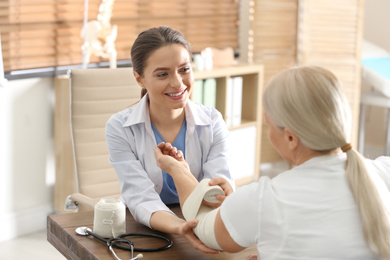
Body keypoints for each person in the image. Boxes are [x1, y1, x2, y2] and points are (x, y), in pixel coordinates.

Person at [154, 65, 390, 259]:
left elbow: (202, 225)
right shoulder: (384, 171)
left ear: (290, 137)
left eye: (268, 123)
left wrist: (177, 169)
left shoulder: (264, 199)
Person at [105, 26, 234, 253]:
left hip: (206, 224)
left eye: (184, 69)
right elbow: (140, 197)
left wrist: (179, 172)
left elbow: (215, 197)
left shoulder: (213, 122)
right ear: (140, 79)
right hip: (148, 229)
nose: (178, 83)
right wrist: (181, 227)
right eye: (163, 74)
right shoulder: (120, 128)